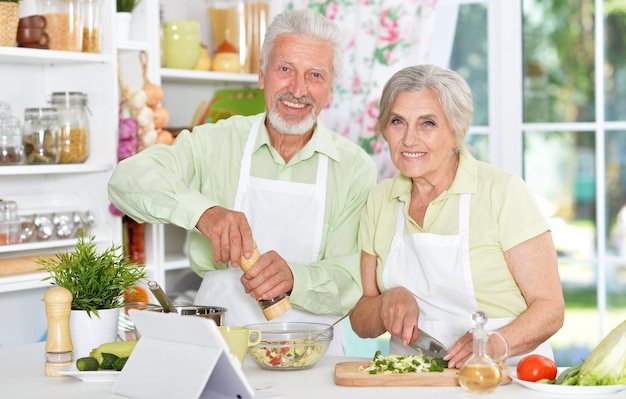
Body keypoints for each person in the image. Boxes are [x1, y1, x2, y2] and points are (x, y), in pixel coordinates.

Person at [108, 9, 377, 355]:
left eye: (315, 75)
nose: (298, 89)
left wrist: (295, 278)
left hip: (311, 353)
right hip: (218, 342)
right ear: (262, 74)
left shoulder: (354, 167)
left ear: (330, 89)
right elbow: (125, 179)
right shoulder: (215, 142)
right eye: (285, 69)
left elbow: (352, 279)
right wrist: (204, 213)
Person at [349, 64, 564, 367]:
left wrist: (495, 343)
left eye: (428, 124)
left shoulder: (502, 191)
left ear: (456, 130)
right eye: (398, 121)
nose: (409, 139)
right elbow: (360, 320)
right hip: (412, 381)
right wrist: (386, 302)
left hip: (503, 377)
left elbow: (551, 309)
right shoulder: (379, 200)